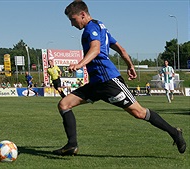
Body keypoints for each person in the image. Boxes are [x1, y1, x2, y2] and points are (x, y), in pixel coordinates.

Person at [52, 0, 186, 156]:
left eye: (72, 19)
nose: (72, 24)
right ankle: (71, 145)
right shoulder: (101, 26)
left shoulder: (91, 28)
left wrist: (80, 64)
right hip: (96, 84)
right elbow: (121, 49)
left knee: (139, 113)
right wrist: (130, 65)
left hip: (109, 82)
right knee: (64, 104)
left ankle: (175, 133)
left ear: (82, 14)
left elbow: (95, 49)